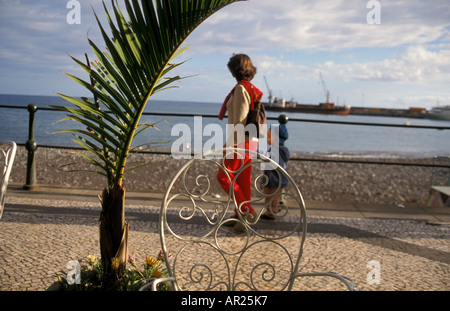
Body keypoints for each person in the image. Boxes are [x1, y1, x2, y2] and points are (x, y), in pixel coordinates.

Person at [217, 54, 264, 232]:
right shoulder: (250, 88)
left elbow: (239, 119)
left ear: (234, 70)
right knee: (242, 180)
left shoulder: (240, 89)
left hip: (240, 141)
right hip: (251, 140)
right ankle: (239, 216)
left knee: (224, 177)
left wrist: (229, 144)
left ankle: (247, 211)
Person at [261, 123, 290, 220]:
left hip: (274, 179)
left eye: (269, 136)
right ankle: (272, 210)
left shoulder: (275, 151)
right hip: (280, 179)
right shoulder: (281, 150)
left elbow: (269, 160)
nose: (266, 138)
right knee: (275, 197)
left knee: (270, 197)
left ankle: (271, 212)